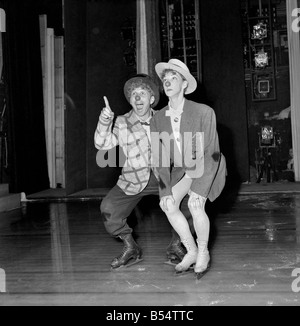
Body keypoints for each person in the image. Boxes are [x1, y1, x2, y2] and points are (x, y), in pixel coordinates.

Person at [94, 74, 186, 270]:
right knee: (109, 208)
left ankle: (176, 245)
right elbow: (102, 144)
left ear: (151, 99)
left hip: (165, 178)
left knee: (189, 203)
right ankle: (131, 247)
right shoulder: (121, 121)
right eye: (134, 94)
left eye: (142, 93)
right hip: (134, 178)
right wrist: (104, 121)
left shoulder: (165, 117)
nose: (137, 98)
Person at [150, 59, 227, 279]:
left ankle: (203, 252)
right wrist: (164, 190)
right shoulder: (157, 119)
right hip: (183, 170)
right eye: (165, 79)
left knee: (195, 205)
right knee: (168, 204)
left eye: (174, 78)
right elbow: (160, 158)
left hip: (208, 165)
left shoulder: (204, 112)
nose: (168, 82)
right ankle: (191, 250)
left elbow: (212, 152)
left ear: (184, 84)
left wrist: (200, 190)